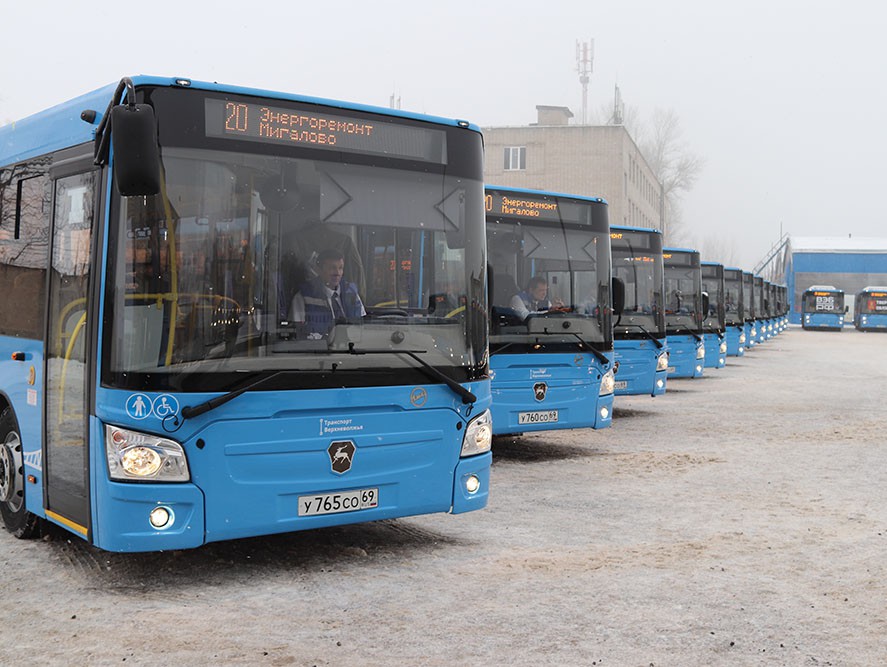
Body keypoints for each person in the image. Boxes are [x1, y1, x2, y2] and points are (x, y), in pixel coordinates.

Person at [290, 248, 366, 335]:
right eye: (332, 268)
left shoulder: (351, 294)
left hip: (350, 346)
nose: (337, 273)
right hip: (318, 347)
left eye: (340, 268)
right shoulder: (303, 297)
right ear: (319, 270)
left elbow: (362, 328)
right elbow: (296, 334)